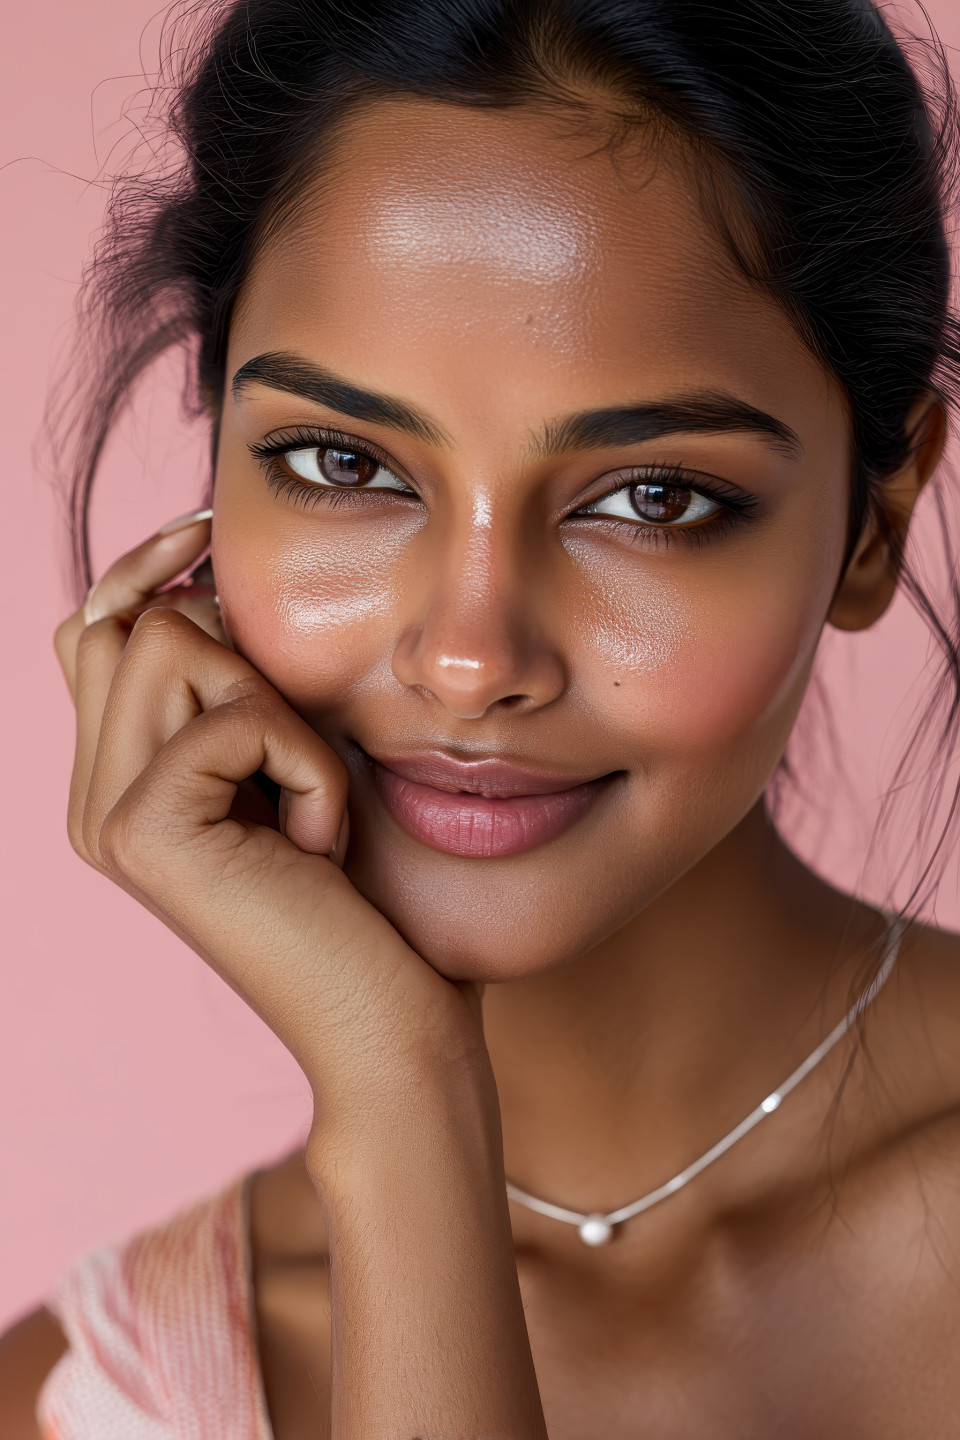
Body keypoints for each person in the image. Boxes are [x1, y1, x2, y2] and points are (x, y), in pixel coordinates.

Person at [3, 0, 960, 1434]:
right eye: (340, 461)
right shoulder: (99, 1400)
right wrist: (401, 1106)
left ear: (875, 527)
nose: (467, 659)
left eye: (655, 497)